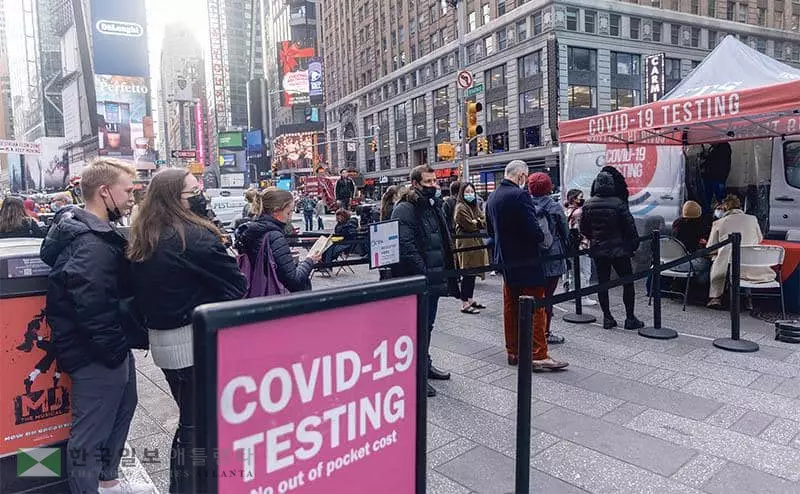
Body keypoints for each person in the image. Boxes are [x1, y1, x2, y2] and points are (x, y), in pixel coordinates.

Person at [127, 169, 246, 493]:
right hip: (193, 343)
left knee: (190, 420)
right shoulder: (192, 236)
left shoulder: (146, 233)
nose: (200, 195)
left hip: (164, 344)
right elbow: (237, 286)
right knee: (196, 425)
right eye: (193, 192)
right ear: (174, 198)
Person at [39, 158, 152, 494]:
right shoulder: (90, 243)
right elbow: (93, 307)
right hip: (96, 354)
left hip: (108, 349)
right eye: (127, 191)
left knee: (123, 408)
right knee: (89, 434)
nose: (132, 198)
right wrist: (115, 350)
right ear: (104, 191)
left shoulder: (94, 234)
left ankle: (108, 480)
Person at [486, 160, 569, 371]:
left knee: (511, 307)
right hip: (527, 260)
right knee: (535, 308)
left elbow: (490, 230)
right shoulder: (519, 195)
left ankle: (513, 351)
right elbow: (533, 230)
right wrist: (540, 236)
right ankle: (538, 354)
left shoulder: (493, 196)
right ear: (521, 175)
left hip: (506, 260)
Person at [391, 165, 459, 397]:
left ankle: (425, 365)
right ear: (415, 183)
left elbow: (442, 240)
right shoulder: (405, 208)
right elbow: (406, 246)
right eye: (428, 182)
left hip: (435, 276)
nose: (433, 185)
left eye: (434, 181)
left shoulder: (433, 205)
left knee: (427, 326)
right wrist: (424, 274)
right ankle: (415, 373)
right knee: (416, 329)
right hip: (420, 280)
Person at [581, 171, 644, 330]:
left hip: (599, 249)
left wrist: (595, 238)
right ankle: (630, 318)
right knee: (627, 283)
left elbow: (584, 229)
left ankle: (607, 317)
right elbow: (630, 228)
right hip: (619, 249)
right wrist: (633, 246)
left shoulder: (588, 204)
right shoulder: (619, 203)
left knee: (603, 284)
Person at [235, 188, 321, 292]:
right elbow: (294, 281)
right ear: (276, 211)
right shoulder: (275, 236)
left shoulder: (251, 231)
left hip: (255, 291)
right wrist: (310, 261)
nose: (290, 217)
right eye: (288, 212)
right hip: (276, 295)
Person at [707, 194, 773, 309]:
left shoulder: (719, 222)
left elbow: (711, 247)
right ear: (739, 206)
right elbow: (759, 239)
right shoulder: (752, 219)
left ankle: (716, 298)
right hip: (751, 263)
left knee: (718, 260)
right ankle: (748, 298)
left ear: (725, 208)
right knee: (743, 262)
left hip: (729, 263)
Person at [528, 173, 568, 345]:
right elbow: (564, 231)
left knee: (533, 295)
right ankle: (545, 332)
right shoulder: (554, 206)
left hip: (531, 255)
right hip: (553, 255)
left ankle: (531, 330)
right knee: (548, 296)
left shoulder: (525, 204)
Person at [453, 183, 489, 315]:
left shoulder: (474, 206)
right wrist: (477, 222)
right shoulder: (460, 207)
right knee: (467, 273)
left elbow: (484, 221)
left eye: (472, 191)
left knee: (473, 273)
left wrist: (477, 221)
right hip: (466, 244)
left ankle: (470, 299)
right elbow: (469, 225)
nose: (470, 194)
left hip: (475, 242)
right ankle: (464, 303)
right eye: (467, 192)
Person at [563, 189, 597, 306]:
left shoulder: (566, 210)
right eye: (580, 197)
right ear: (574, 199)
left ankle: (573, 292)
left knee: (573, 271)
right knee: (584, 271)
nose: (582, 199)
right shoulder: (580, 212)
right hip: (582, 245)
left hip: (570, 246)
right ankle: (583, 296)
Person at [670, 200, 712, 284]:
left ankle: (684, 285)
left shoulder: (677, 224)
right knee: (708, 264)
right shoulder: (700, 226)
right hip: (686, 262)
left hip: (671, 262)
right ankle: (698, 287)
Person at [702, 143, 732, 213]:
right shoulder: (717, 148)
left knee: (717, 199)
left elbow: (713, 162)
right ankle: (717, 213)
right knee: (715, 198)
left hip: (716, 178)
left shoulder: (723, 148)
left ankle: (710, 214)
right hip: (715, 178)